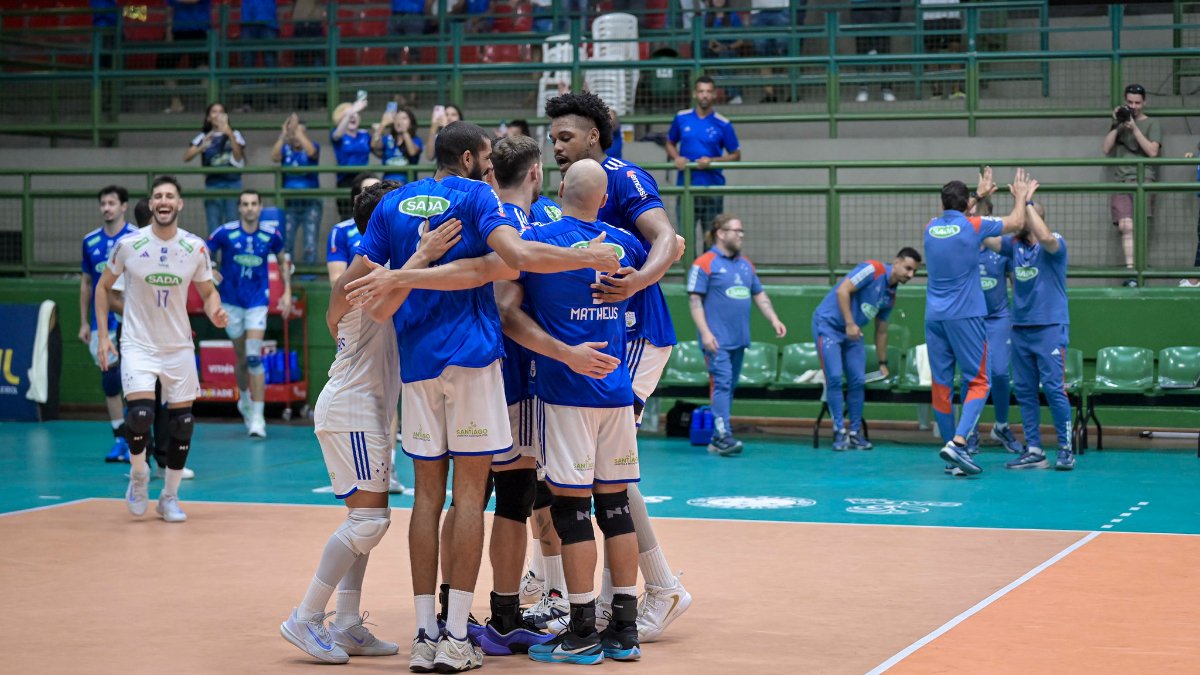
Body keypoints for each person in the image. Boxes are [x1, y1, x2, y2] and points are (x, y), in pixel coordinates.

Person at [335, 121, 619, 673]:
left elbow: (365, 296)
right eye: (486, 159)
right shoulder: (477, 196)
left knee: (425, 500)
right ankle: (457, 637)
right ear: (468, 159)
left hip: (417, 366)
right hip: (471, 360)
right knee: (469, 499)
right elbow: (515, 258)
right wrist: (584, 255)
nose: (491, 169)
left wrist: (407, 273)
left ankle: (425, 634)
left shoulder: (391, 204)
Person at [279, 180, 461, 665]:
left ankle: (346, 623)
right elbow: (376, 299)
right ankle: (305, 616)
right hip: (352, 408)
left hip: (366, 409)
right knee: (369, 522)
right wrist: (423, 254)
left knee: (363, 522)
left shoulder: (389, 269)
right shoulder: (372, 272)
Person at [545, 91, 691, 643]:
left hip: (635, 334)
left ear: (594, 137)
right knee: (603, 474)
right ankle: (611, 599)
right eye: (552, 138)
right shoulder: (566, 196)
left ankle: (662, 587)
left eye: (566, 137)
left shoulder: (624, 177)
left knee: (611, 473)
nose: (557, 146)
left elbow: (667, 239)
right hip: (604, 336)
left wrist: (636, 282)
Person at [93, 175, 228, 523]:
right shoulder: (128, 245)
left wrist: (215, 310)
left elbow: (208, 291)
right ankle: (139, 475)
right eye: (158, 196)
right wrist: (104, 336)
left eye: (170, 196)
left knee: (182, 423)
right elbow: (103, 287)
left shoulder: (195, 247)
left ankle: (169, 497)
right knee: (140, 416)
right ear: (151, 204)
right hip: (138, 344)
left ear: (179, 204)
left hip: (178, 346)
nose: (164, 201)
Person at [925, 167, 1035, 476]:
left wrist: (978, 194)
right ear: (966, 206)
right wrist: (1021, 196)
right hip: (966, 315)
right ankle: (959, 444)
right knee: (979, 381)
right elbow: (1017, 223)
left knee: (942, 386)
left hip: (934, 317)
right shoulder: (973, 226)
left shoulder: (930, 227)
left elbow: (956, 212)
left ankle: (951, 451)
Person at [688, 214, 788, 456]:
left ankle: (717, 436)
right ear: (721, 233)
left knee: (729, 387)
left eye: (742, 231)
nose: (741, 235)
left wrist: (774, 319)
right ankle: (722, 435)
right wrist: (705, 333)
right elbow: (694, 301)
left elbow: (759, 295)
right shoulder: (704, 263)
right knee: (721, 384)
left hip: (739, 340)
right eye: (736, 230)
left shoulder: (746, 265)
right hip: (716, 341)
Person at [988, 200, 1076, 471]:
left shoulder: (1055, 243)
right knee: (1025, 391)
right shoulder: (1013, 246)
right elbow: (985, 237)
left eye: (1025, 215)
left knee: (1053, 389)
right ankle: (1035, 450)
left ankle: (1065, 449)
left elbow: (1046, 237)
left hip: (1049, 328)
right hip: (1020, 329)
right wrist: (973, 207)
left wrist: (1026, 201)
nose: (1019, 219)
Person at [810, 246, 921, 451]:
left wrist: (882, 362)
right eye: (908, 268)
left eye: (914, 271)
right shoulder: (873, 269)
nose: (910, 275)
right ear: (896, 262)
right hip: (828, 326)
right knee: (834, 378)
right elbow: (843, 290)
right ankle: (838, 431)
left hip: (853, 333)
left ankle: (855, 433)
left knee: (857, 381)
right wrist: (850, 323)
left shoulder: (890, 296)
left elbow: (881, 331)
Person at [207, 189, 292, 438]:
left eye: (254, 203)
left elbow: (283, 260)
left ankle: (258, 417)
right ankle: (243, 398)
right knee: (242, 357)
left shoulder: (271, 234)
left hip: (257, 301)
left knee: (254, 356)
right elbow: (203, 251)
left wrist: (287, 291)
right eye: (245, 204)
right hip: (231, 302)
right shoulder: (225, 232)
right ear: (239, 208)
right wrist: (209, 269)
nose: (250, 208)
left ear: (260, 207)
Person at [81, 185, 139, 462]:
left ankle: (137, 438)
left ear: (124, 206)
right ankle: (120, 439)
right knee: (110, 380)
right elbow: (86, 283)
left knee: (134, 380)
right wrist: (84, 322)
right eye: (103, 203)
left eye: (112, 203)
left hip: (132, 321)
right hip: (100, 322)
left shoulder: (136, 237)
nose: (106, 208)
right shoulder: (90, 241)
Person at [963, 198, 1024, 456]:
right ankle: (969, 432)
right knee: (970, 376)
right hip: (970, 320)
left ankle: (1001, 426)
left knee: (999, 373)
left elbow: (1016, 284)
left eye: (979, 213)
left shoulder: (1001, 248)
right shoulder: (961, 246)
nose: (974, 217)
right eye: (970, 213)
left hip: (998, 319)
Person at [666, 75, 742, 241]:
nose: (705, 95)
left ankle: (709, 260)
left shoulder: (723, 123)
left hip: (712, 188)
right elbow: (669, 142)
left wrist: (713, 161)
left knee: (711, 237)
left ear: (714, 94)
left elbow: (736, 154)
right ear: (695, 94)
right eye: (701, 91)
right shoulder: (681, 117)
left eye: (708, 91)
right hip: (686, 187)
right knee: (685, 239)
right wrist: (677, 158)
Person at [1103, 83, 1162, 287]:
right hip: (1121, 180)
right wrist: (1116, 123)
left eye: (1137, 103)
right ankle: (1131, 272)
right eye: (1130, 102)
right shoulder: (1120, 122)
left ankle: (1139, 270)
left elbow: (1152, 152)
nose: (1134, 107)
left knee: (1140, 226)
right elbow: (1106, 148)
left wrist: (1134, 128)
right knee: (1125, 226)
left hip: (1143, 180)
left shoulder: (1152, 123)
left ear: (1144, 102)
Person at [184, 102, 246, 236]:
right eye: (214, 112)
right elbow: (186, 156)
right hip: (213, 184)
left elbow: (239, 156)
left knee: (233, 222)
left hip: (232, 183)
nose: (218, 115)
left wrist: (229, 134)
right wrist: (202, 147)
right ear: (208, 117)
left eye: (221, 111)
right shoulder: (203, 136)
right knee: (213, 224)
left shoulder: (235, 133)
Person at [271, 112, 322, 265]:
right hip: (289, 203)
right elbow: (274, 157)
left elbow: (312, 153)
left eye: (300, 132)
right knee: (287, 241)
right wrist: (284, 134)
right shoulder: (286, 149)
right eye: (293, 133)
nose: (296, 136)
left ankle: (309, 275)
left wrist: (297, 130)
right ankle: (287, 274)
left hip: (310, 203)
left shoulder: (313, 146)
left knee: (310, 243)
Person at [160, 0, 212, 114]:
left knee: (202, 66)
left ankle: (211, 104)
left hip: (198, 29)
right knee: (164, 66)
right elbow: (169, 10)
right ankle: (176, 103)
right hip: (177, 30)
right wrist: (168, 31)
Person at [327, 173, 380, 284]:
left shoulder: (395, 226)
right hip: (357, 292)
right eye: (370, 192)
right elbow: (336, 280)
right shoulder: (340, 231)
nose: (376, 197)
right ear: (357, 198)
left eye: (380, 191)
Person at [751, 0, 801, 103]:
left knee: (786, 52)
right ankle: (770, 95)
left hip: (782, 9)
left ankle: (792, 93)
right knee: (763, 54)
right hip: (759, 11)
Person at [332, 97, 374, 220]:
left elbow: (377, 149)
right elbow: (337, 135)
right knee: (347, 216)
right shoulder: (337, 134)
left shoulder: (364, 134)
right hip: (345, 180)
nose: (352, 116)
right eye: (348, 115)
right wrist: (351, 111)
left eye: (356, 113)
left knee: (366, 216)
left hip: (363, 179)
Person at [850, 0, 899, 102]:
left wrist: (894, 15)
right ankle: (863, 88)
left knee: (884, 51)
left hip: (883, 9)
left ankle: (886, 88)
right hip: (861, 9)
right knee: (862, 51)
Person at [702, 0, 746, 105]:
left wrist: (726, 47)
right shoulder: (706, 17)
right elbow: (704, 36)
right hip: (711, 50)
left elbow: (741, 41)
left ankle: (734, 95)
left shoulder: (733, 16)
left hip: (729, 49)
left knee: (725, 56)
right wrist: (712, 44)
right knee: (699, 51)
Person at [921, 0, 964, 99]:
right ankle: (936, 92)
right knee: (932, 53)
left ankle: (955, 90)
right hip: (930, 15)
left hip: (952, 14)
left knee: (955, 51)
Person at [372, 106, 424, 184]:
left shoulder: (416, 140)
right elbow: (374, 145)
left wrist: (405, 132)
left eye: (404, 118)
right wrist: (383, 124)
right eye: (397, 118)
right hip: (387, 184)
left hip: (408, 184)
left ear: (411, 123)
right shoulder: (388, 139)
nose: (399, 121)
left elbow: (412, 152)